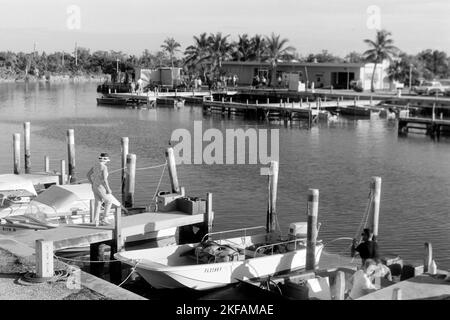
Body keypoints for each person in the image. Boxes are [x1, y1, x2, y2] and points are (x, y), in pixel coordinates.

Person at [87, 153, 113, 226]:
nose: (107, 161)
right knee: (109, 201)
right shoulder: (104, 167)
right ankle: (105, 219)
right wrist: (108, 189)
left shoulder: (95, 165)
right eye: (107, 160)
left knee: (98, 203)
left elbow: (88, 175)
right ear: (105, 160)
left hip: (94, 186)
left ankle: (95, 221)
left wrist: (92, 183)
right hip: (101, 187)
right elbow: (104, 179)